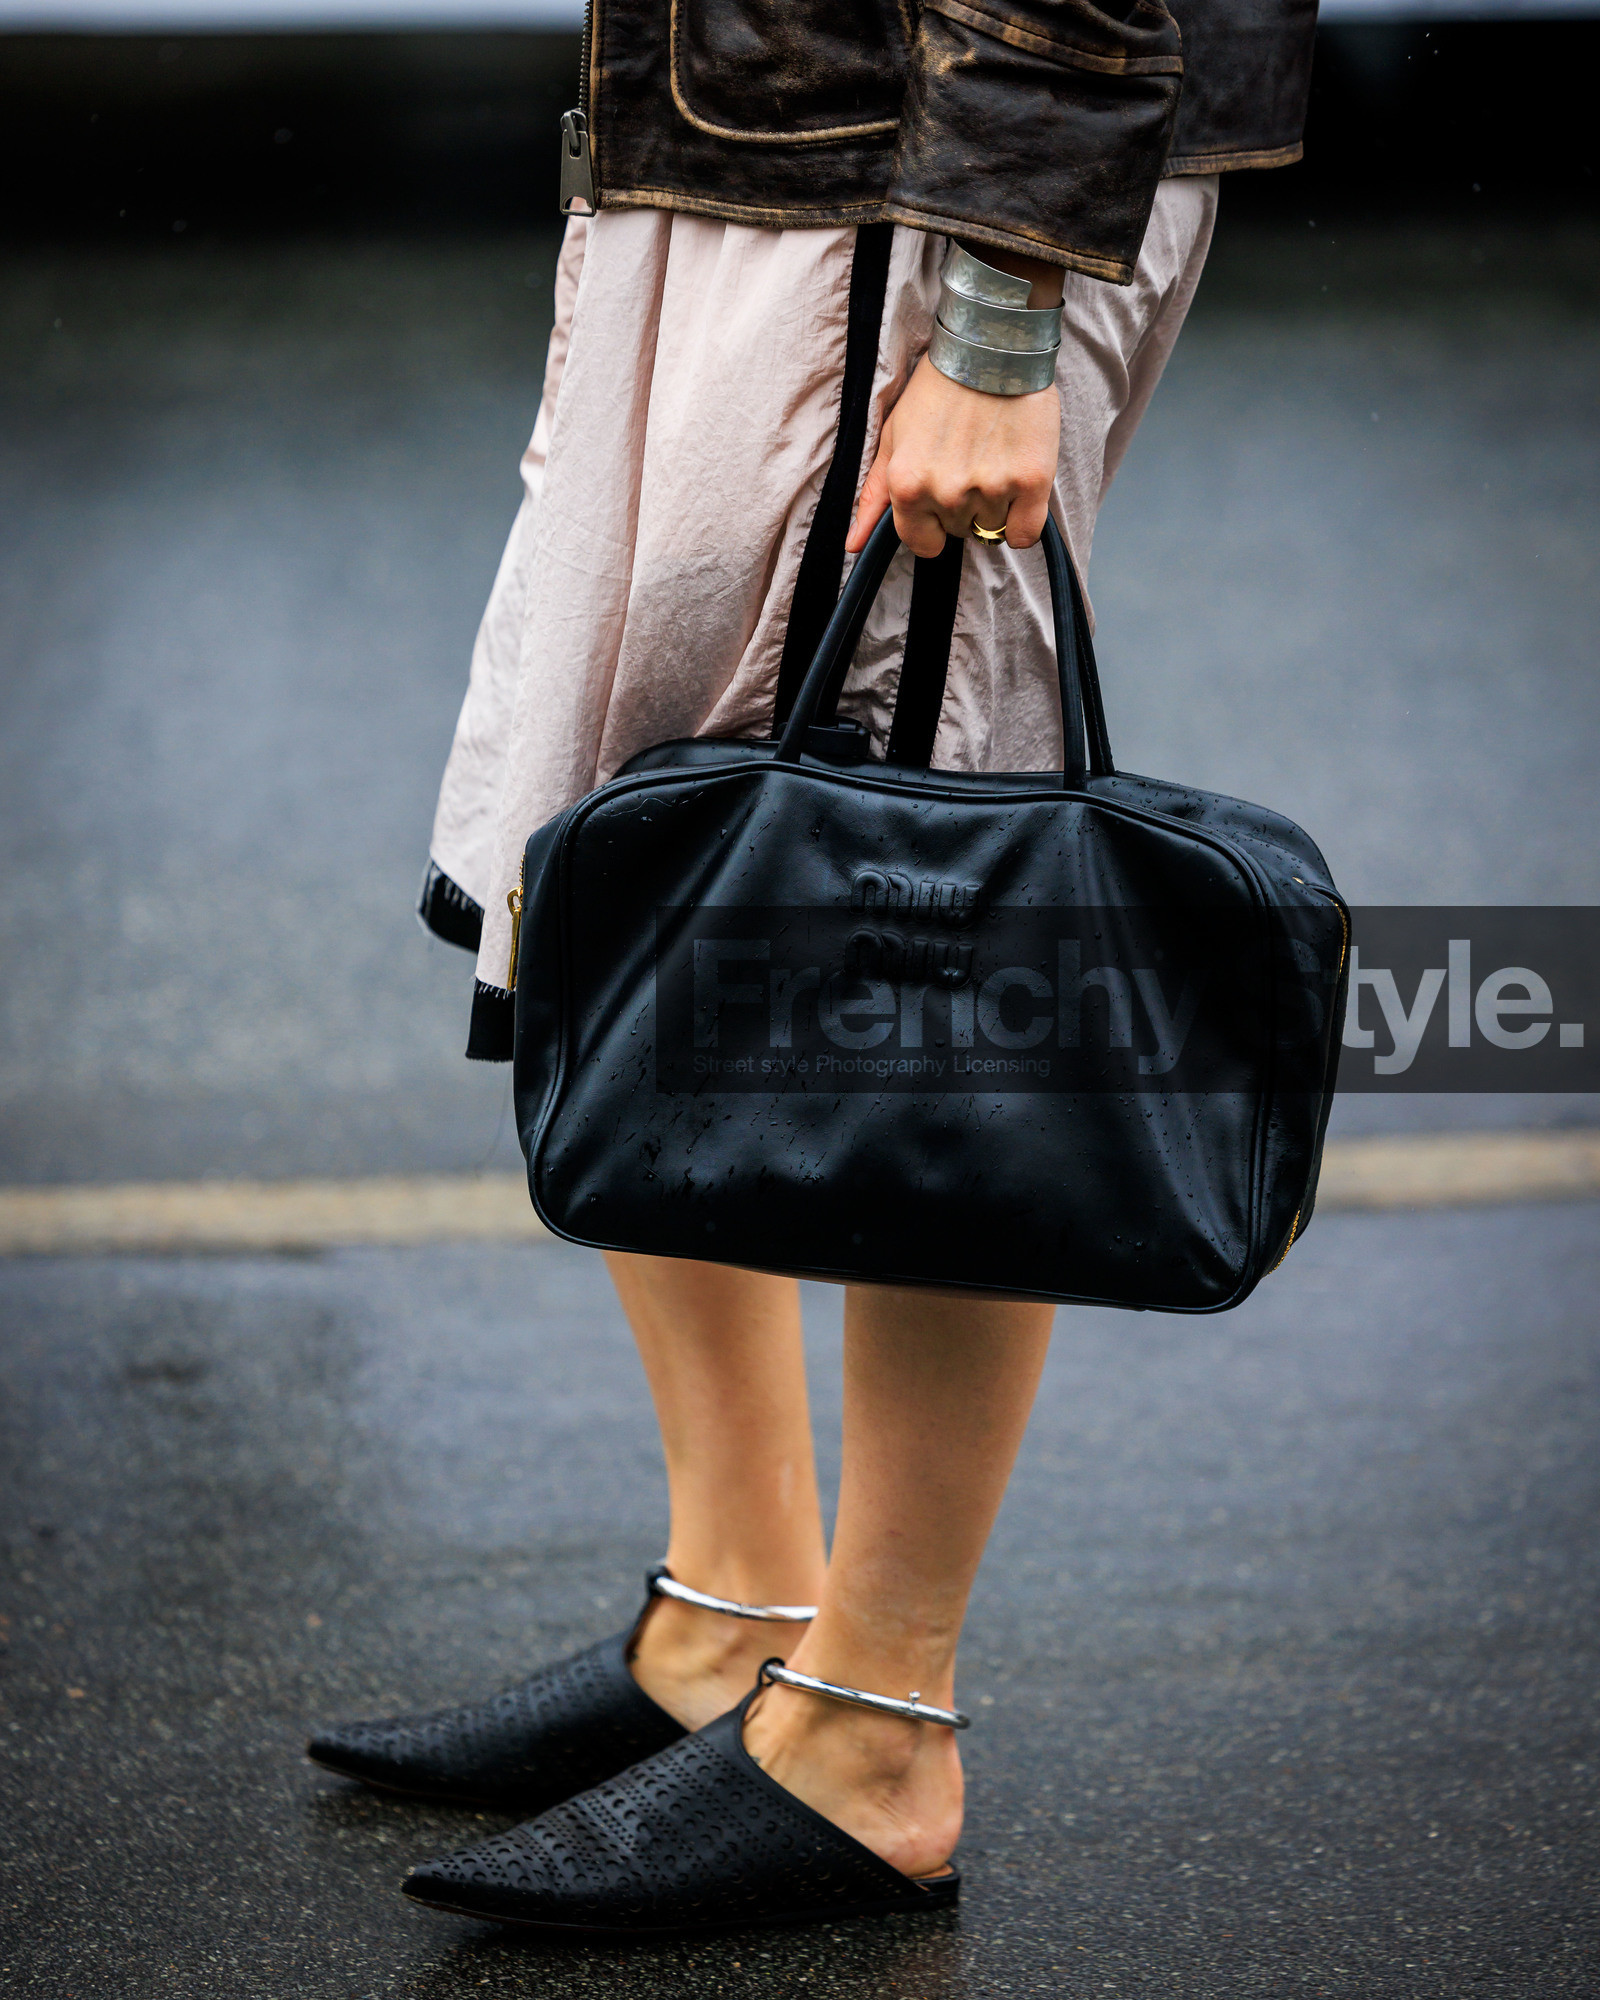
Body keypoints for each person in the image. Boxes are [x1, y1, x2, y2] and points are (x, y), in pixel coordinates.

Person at [309, 0, 1317, 1939]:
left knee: (915, 906)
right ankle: (735, 1614)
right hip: (747, 142)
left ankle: (872, 1729)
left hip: (917, 183)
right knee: (652, 854)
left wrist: (999, 302)